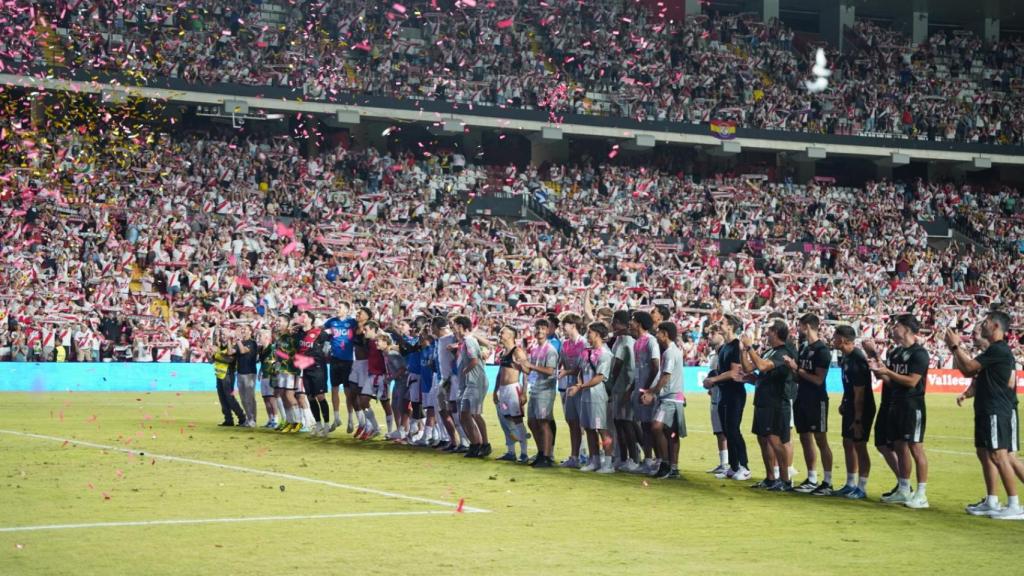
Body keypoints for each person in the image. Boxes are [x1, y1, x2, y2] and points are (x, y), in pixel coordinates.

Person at [946, 311, 1022, 519]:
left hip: (997, 409)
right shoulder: (993, 351)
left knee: (1000, 455)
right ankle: (992, 501)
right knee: (984, 453)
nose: (982, 325)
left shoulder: (999, 350)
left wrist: (955, 347)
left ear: (996, 326)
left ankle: (1014, 505)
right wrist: (967, 393)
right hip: (986, 408)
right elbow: (973, 374)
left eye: (986, 322)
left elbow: (969, 369)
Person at [869, 314, 929, 509]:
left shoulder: (919, 353)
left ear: (907, 329)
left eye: (897, 326)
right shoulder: (895, 353)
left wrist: (887, 372)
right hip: (896, 403)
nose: (893, 329)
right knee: (900, 446)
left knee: (915, 448)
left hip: (912, 405)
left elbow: (912, 381)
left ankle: (921, 494)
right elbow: (891, 382)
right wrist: (878, 371)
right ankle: (904, 489)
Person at [784, 314, 835, 495]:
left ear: (807, 326)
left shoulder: (822, 350)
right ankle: (812, 478)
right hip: (802, 398)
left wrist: (797, 368)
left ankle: (827, 482)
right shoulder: (805, 349)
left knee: (821, 439)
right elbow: (799, 377)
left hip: (817, 400)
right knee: (805, 438)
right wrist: (793, 370)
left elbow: (818, 380)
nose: (798, 329)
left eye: (799, 325)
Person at [742, 319, 795, 491]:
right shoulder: (769, 351)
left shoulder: (784, 352)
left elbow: (763, 366)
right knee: (763, 439)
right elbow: (749, 368)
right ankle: (770, 478)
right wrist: (743, 351)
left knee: (774, 439)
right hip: (763, 401)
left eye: (769, 330)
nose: (766, 333)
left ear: (776, 332)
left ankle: (785, 480)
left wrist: (749, 347)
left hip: (776, 402)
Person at [831, 324, 875, 500]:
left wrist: (857, 419)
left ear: (842, 340)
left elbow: (860, 393)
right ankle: (850, 483)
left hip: (862, 408)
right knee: (848, 443)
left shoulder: (857, 358)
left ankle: (861, 487)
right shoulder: (846, 357)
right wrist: (844, 402)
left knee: (859, 445)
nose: (833, 340)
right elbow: (849, 386)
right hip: (850, 405)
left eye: (835, 337)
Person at [705, 315, 750, 481]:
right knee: (727, 430)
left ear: (730, 326)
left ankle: (744, 467)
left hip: (735, 393)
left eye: (722, 323)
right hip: (725, 393)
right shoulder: (724, 347)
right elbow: (722, 370)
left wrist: (714, 380)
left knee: (733, 429)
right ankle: (733, 466)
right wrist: (711, 378)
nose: (719, 324)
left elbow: (734, 372)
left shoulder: (736, 346)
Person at [569, 322, 615, 473]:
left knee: (601, 429)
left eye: (589, 332)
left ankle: (608, 463)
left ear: (597, 334)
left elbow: (600, 377)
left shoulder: (605, 354)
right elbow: (581, 372)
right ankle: (594, 460)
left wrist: (580, 387)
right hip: (585, 395)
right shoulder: (586, 352)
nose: (587, 335)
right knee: (589, 428)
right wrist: (579, 384)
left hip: (597, 396)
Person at [644, 321, 687, 479]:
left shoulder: (670, 353)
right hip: (672, 397)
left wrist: (652, 392)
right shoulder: (671, 351)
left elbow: (666, 376)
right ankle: (672, 467)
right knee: (670, 432)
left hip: (670, 398)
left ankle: (666, 464)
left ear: (665, 334)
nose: (656, 335)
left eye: (658, 332)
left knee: (657, 427)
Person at [518, 319, 559, 467]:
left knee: (543, 421)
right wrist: (521, 364)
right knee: (532, 422)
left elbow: (550, 371)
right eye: (537, 328)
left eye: (542, 328)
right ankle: (541, 452)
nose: (540, 331)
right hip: (535, 388)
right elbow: (529, 370)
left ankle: (547, 456)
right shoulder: (535, 348)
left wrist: (530, 366)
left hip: (546, 390)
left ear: (547, 331)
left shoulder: (550, 350)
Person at [453, 315, 491, 458]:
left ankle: (483, 444)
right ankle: (476, 444)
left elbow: (474, 360)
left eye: (454, 325)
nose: (453, 328)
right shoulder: (466, 341)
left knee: (473, 414)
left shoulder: (469, 340)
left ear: (460, 326)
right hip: (470, 382)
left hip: (475, 381)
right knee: (465, 414)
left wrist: (464, 371)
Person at [630, 311, 661, 474]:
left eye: (633, 320)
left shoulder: (651, 341)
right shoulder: (637, 342)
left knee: (650, 425)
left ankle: (659, 460)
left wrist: (646, 389)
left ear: (640, 323)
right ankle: (648, 459)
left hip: (647, 391)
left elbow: (656, 366)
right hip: (639, 388)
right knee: (644, 425)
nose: (631, 323)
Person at [608, 311, 639, 472]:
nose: (612, 325)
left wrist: (608, 385)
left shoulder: (625, 342)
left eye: (615, 322)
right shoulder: (621, 341)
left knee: (626, 423)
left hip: (625, 388)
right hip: (620, 387)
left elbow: (616, 367)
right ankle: (624, 458)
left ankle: (633, 458)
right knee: (620, 423)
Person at [494, 325, 529, 463]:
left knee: (517, 420)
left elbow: (526, 372)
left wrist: (524, 393)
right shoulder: (503, 352)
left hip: (513, 390)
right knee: (505, 420)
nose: (499, 334)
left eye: (502, 332)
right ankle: (511, 451)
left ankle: (524, 453)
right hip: (503, 391)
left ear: (510, 335)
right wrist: (496, 390)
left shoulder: (517, 352)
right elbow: (499, 373)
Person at [557, 313, 588, 468]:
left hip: (582, 388)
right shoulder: (564, 344)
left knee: (587, 425)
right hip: (570, 387)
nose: (562, 327)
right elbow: (562, 363)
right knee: (572, 422)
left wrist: (567, 372)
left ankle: (590, 455)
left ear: (573, 325)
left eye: (565, 324)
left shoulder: (584, 343)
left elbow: (583, 367)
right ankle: (574, 457)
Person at [296, 311, 332, 437]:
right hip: (306, 369)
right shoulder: (299, 333)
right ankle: (318, 424)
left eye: (304, 316)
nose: (301, 318)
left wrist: (324, 353)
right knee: (310, 397)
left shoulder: (319, 333)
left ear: (310, 319)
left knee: (320, 396)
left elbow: (328, 343)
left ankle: (326, 425)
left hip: (318, 368)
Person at [324, 301, 357, 433]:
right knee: (334, 389)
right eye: (337, 307)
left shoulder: (352, 322)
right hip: (334, 360)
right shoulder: (331, 322)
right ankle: (337, 418)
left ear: (347, 310)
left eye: (340, 307)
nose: (337, 309)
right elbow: (322, 332)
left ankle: (350, 419)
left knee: (348, 392)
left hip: (348, 360)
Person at [702, 325, 729, 476]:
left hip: (724, 397)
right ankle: (723, 463)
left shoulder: (727, 352)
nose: (709, 336)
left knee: (726, 431)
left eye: (713, 333)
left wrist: (714, 380)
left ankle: (733, 464)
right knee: (719, 431)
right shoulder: (714, 354)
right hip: (714, 397)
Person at [211, 329, 244, 427]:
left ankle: (242, 418)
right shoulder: (219, 346)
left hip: (228, 375)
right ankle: (228, 419)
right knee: (222, 398)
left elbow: (230, 360)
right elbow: (211, 361)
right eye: (221, 334)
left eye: (224, 334)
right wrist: (209, 352)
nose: (222, 336)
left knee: (230, 398)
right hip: (219, 375)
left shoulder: (233, 346)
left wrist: (218, 355)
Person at [234, 325, 259, 428]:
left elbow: (243, 350)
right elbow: (232, 352)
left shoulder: (252, 343)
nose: (243, 331)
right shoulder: (239, 342)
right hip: (240, 373)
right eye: (242, 329)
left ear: (250, 332)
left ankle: (253, 419)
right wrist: (230, 341)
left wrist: (238, 340)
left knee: (250, 398)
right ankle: (248, 419)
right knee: (243, 398)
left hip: (249, 373)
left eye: (245, 329)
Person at [256, 328, 281, 429]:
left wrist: (276, 373)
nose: (259, 338)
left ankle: (276, 419)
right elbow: (263, 362)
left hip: (271, 376)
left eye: (260, 336)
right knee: (266, 398)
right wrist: (260, 371)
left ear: (266, 337)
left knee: (271, 398)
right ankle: (270, 419)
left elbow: (278, 361)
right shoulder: (261, 349)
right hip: (264, 376)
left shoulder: (273, 348)